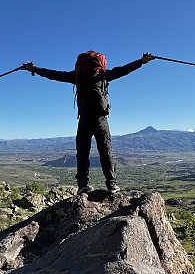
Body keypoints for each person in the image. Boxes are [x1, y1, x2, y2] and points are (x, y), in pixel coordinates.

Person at [22, 51, 155, 194]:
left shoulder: (77, 77)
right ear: (100, 64)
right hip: (100, 119)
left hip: (84, 120)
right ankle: (112, 184)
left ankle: (83, 186)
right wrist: (141, 61)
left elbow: (54, 75)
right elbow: (124, 70)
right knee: (105, 151)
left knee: (82, 153)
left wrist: (34, 69)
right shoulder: (103, 75)